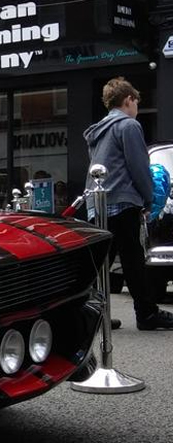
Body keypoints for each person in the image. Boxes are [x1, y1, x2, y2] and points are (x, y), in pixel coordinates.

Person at [84, 77, 173, 330]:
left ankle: (91, 315)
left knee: (100, 265)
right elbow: (139, 167)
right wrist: (148, 198)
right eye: (136, 102)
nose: (137, 108)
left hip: (98, 201)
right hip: (123, 201)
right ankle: (146, 313)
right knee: (133, 260)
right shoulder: (128, 126)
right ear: (128, 100)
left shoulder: (98, 130)